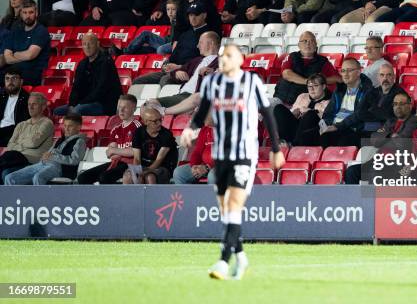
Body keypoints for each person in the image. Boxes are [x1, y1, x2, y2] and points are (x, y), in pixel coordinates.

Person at [179, 44, 285, 280]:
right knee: (226, 211)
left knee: (234, 206)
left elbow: (268, 114)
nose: (223, 60)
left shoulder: (251, 82)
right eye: (220, 56)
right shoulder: (211, 83)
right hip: (221, 154)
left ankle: (223, 262)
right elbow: (202, 111)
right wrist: (191, 129)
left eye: (228, 56)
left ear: (240, 59)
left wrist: (276, 148)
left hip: (245, 153)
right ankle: (242, 257)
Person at [344, 92, 417, 184]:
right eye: (395, 104)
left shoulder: (414, 121)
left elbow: (401, 143)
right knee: (352, 171)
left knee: (375, 172)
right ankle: (352, 198)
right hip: (378, 159)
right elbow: (374, 139)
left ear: (410, 106)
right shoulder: (390, 121)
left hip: (396, 163)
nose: (398, 107)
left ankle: (372, 199)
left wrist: (384, 136)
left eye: (401, 104)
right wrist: (390, 136)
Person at [133, 1, 212, 86]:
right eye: (190, 15)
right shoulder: (185, 34)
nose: (192, 18)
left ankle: (161, 100)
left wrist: (180, 67)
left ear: (204, 15)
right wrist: (167, 65)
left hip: (187, 71)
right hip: (172, 70)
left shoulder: (208, 35)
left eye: (196, 15)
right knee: (137, 81)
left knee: (165, 80)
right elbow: (175, 53)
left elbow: (204, 60)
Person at [5, 113, 86, 185]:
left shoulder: (79, 141)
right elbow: (48, 153)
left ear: (79, 127)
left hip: (58, 167)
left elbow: (74, 160)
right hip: (43, 163)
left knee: (38, 177)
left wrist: (52, 157)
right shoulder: (60, 139)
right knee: (10, 177)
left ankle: (41, 202)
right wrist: (45, 157)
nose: (66, 129)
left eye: (70, 126)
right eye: (65, 125)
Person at [77, 94, 141, 184]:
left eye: (125, 108)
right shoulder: (115, 129)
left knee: (104, 177)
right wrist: (121, 152)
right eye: (119, 107)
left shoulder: (138, 127)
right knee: (83, 177)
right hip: (116, 162)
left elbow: (134, 152)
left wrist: (117, 151)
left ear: (134, 109)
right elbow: (109, 153)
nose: (121, 110)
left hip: (130, 164)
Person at [54, 33, 122, 116]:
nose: (87, 47)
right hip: (86, 102)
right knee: (57, 111)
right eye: (84, 44)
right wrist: (72, 104)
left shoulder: (106, 62)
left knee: (77, 110)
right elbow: (76, 88)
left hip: (105, 103)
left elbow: (101, 90)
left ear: (97, 44)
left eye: (90, 43)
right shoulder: (82, 64)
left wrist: (81, 104)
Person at [149, 32, 220, 107]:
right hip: (182, 94)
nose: (197, 46)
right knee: (150, 104)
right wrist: (177, 73)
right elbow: (179, 70)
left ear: (211, 43)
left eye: (201, 42)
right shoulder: (197, 60)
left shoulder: (221, 61)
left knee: (152, 104)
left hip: (192, 97)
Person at [272, 31, 341, 105]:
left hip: (303, 103)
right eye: (305, 41)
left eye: (311, 41)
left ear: (316, 45)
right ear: (299, 45)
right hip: (280, 99)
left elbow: (337, 79)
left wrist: (318, 81)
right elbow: (287, 74)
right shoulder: (291, 56)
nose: (308, 43)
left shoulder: (322, 61)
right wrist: (308, 81)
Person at [0, 92, 54, 184]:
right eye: (29, 104)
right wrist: (24, 144)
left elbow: (34, 143)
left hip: (32, 163)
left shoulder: (47, 123)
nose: (30, 107)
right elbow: (10, 145)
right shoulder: (21, 125)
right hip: (14, 159)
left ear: (43, 107)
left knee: (6, 173)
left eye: (34, 104)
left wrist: (18, 144)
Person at [320, 58, 372, 147]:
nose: (345, 74)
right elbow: (328, 112)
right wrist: (326, 125)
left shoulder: (367, 90)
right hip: (334, 127)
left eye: (349, 71)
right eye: (343, 71)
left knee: (335, 138)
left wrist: (337, 127)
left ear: (359, 72)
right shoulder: (340, 89)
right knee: (309, 128)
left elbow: (359, 115)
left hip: (352, 128)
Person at [123, 106, 178, 185]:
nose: (159, 123)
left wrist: (146, 171)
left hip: (162, 167)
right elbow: (137, 158)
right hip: (143, 166)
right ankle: (130, 197)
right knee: (128, 176)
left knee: (149, 177)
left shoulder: (166, 135)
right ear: (146, 122)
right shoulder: (138, 133)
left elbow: (159, 160)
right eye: (155, 121)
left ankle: (151, 197)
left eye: (160, 119)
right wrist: (137, 171)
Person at [2, 0, 50, 86]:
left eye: (31, 12)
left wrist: (15, 54)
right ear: (21, 14)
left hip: (32, 73)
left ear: (36, 13)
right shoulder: (15, 31)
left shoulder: (41, 31)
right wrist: (20, 56)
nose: (28, 16)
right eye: (25, 12)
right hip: (14, 71)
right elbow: (7, 58)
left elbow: (30, 55)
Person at [273, 73, 331, 146]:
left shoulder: (330, 101)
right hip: (297, 128)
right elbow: (292, 113)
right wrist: (293, 113)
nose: (312, 89)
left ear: (323, 86)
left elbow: (327, 121)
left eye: (315, 86)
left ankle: (295, 145)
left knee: (311, 114)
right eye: (309, 86)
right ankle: (284, 142)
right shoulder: (302, 96)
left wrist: (310, 111)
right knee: (279, 108)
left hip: (313, 132)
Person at [357, 63, 406, 135]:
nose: (385, 78)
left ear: (394, 77)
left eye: (389, 75)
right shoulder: (372, 91)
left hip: (385, 131)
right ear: (378, 77)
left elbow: (391, 117)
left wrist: (371, 110)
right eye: (382, 75)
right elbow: (359, 112)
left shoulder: (400, 94)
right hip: (365, 127)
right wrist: (378, 114)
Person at [0, 67, 29, 146]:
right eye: (7, 79)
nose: (10, 81)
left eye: (14, 78)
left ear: (21, 81)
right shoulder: (2, 96)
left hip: (13, 133)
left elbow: (23, 124)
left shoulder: (27, 99)